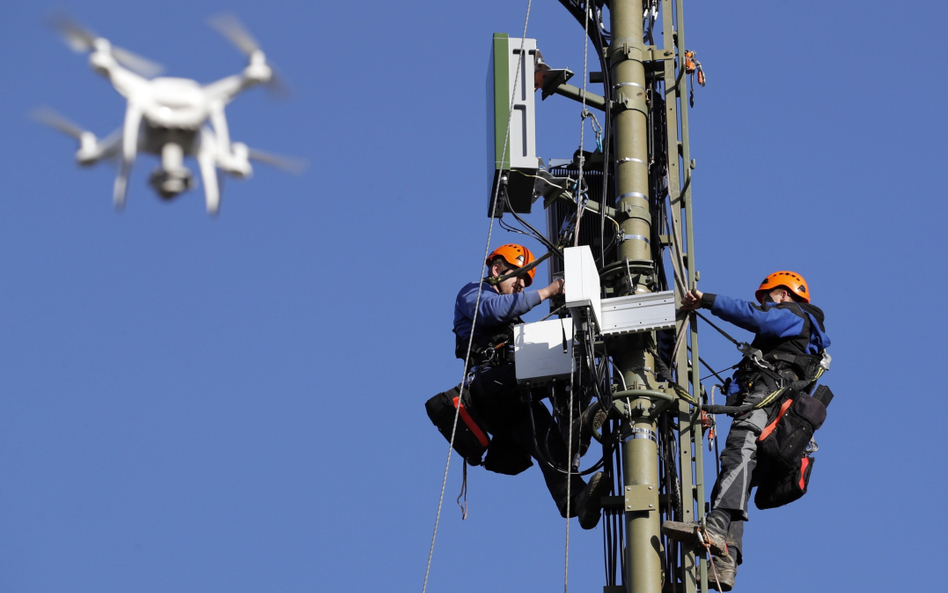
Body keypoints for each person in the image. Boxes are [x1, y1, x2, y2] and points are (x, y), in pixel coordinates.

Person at [663, 271, 830, 590]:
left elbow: (757, 318)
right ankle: (726, 562)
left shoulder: (795, 315)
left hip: (766, 404)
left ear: (785, 295)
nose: (766, 303)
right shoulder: (801, 338)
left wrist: (707, 301)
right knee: (739, 479)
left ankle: (715, 530)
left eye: (769, 297)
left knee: (736, 457)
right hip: (778, 420)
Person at [453, 244, 610, 529]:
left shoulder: (511, 312)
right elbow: (491, 311)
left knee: (548, 440)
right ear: (497, 269)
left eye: (527, 282)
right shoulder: (473, 294)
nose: (522, 285)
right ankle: (577, 427)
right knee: (557, 362)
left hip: (513, 401)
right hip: (488, 388)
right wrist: (548, 291)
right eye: (519, 277)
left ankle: (576, 497)